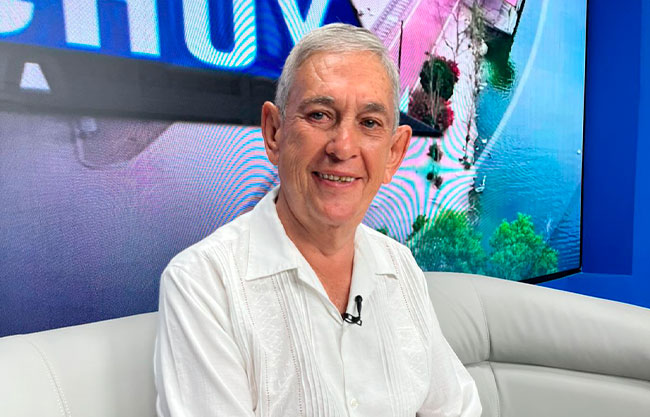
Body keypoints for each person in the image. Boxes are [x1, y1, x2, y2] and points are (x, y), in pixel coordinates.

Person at [154, 23, 481, 417]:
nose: (342, 147)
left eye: (369, 123)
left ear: (394, 154)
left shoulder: (400, 267)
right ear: (274, 133)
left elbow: (456, 409)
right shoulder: (204, 284)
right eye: (320, 115)